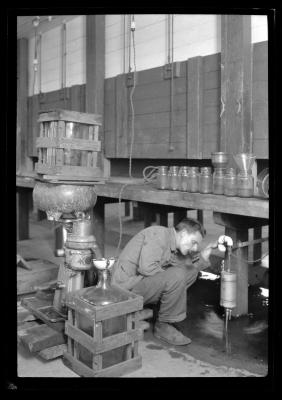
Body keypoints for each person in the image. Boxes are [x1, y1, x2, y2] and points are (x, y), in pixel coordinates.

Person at [111, 217, 218, 346]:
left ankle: (148, 312)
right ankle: (163, 325)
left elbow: (186, 269)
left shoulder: (174, 245)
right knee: (177, 275)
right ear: (183, 233)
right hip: (124, 292)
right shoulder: (157, 235)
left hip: (139, 287)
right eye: (193, 242)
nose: (195, 248)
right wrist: (173, 275)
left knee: (189, 273)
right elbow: (147, 268)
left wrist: (205, 254)